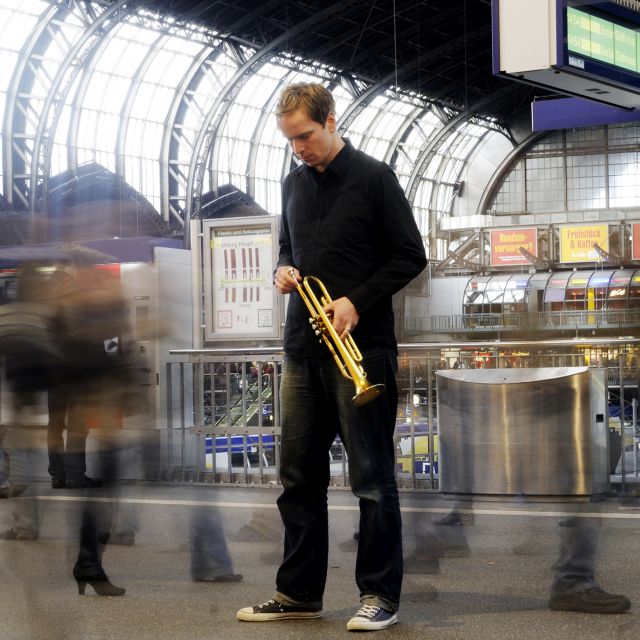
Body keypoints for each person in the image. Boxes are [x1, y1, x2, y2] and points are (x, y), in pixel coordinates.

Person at [237, 82, 427, 631]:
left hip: (361, 352)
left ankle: (379, 596)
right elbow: (288, 246)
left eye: (307, 136)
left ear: (331, 121)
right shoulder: (292, 182)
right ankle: (298, 593)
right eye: (291, 139)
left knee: (371, 479)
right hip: (302, 347)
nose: (299, 147)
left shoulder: (374, 178)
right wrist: (283, 269)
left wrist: (357, 300)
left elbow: (410, 255)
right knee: (297, 478)